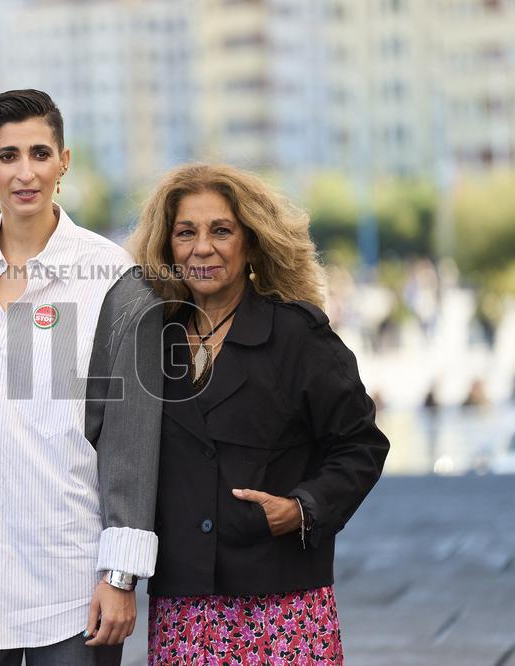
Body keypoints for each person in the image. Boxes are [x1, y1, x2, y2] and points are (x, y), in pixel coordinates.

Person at [0, 89, 162, 665]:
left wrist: (120, 575)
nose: (26, 173)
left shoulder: (114, 280)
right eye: (7, 156)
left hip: (71, 582)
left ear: (64, 160)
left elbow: (131, 439)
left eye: (40, 153)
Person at [130, 164, 390, 664]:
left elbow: (362, 445)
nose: (202, 247)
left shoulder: (299, 336)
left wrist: (302, 508)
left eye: (221, 230)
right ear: (167, 248)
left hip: (285, 605)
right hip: (183, 605)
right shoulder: (149, 340)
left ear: (252, 242)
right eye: (186, 232)